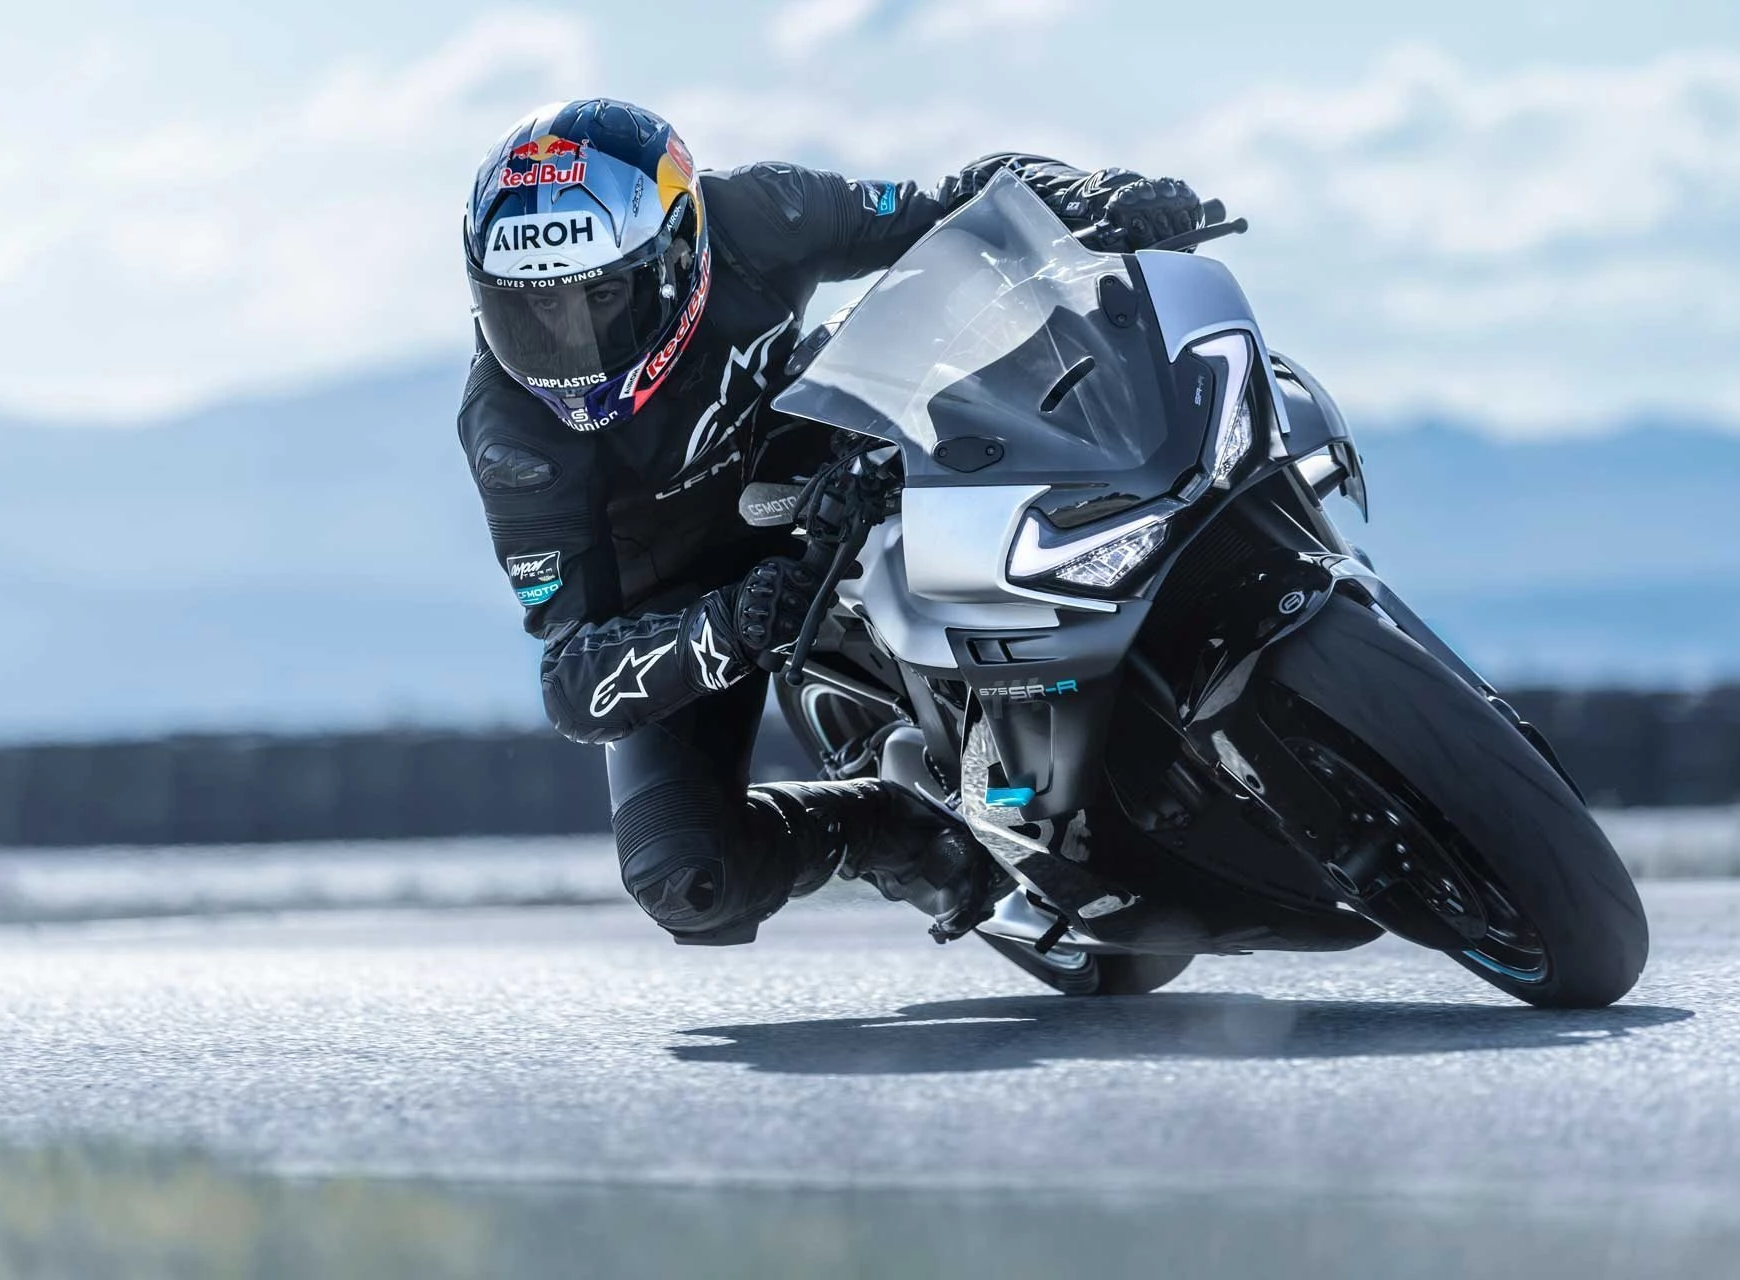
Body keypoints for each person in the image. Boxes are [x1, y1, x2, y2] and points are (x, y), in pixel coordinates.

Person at [458, 98, 1204, 946]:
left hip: (827, 457)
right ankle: (894, 830)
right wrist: (723, 627)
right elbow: (572, 679)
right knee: (685, 877)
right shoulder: (513, 435)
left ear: (675, 252)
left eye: (598, 297)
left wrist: (1090, 197)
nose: (568, 344)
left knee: (965, 348)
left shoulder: (758, 212)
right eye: (530, 312)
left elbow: (955, 206)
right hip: (684, 600)